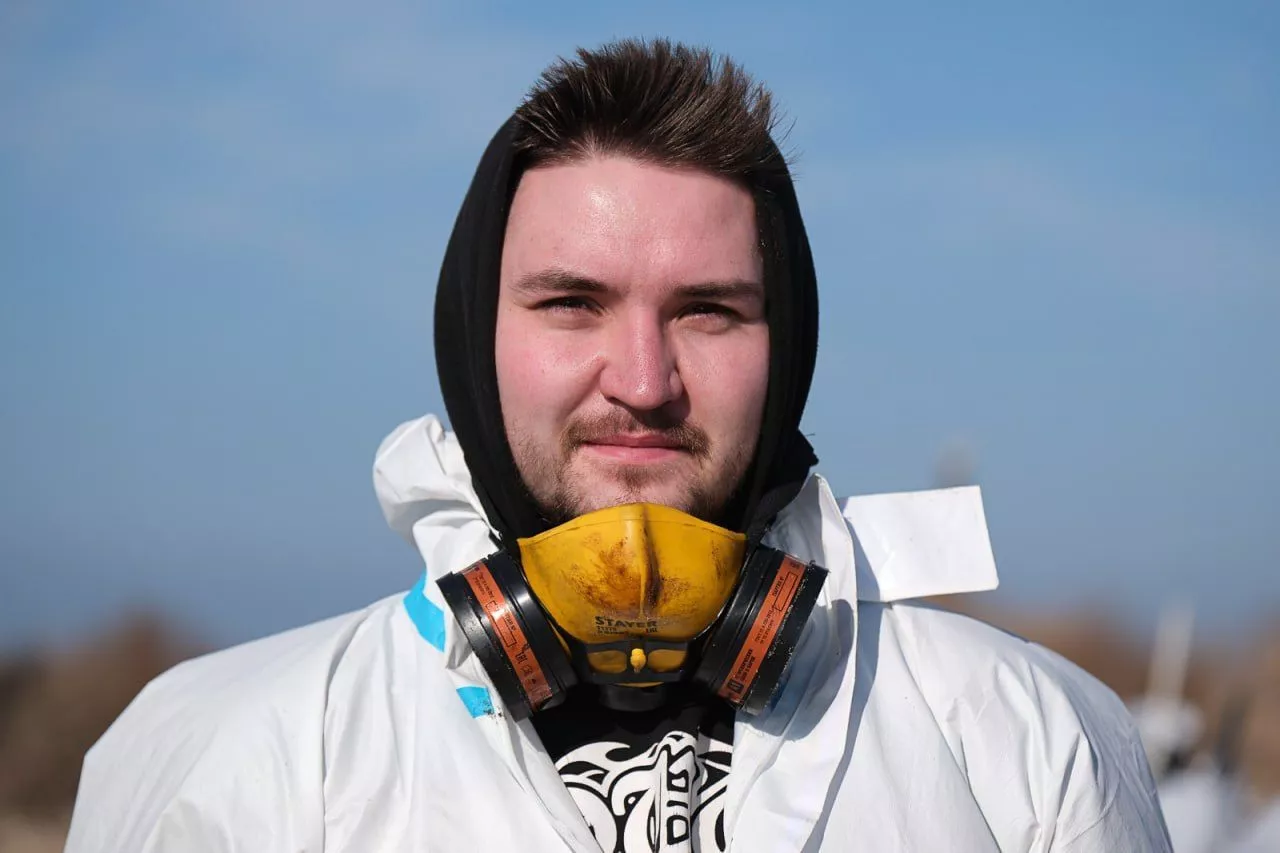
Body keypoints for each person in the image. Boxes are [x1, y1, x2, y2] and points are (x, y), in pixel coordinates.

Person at [65, 39, 1172, 852]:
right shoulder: (227, 753)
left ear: (786, 348)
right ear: (474, 340)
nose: (643, 382)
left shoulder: (1029, 743)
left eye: (707, 310)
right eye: (571, 303)